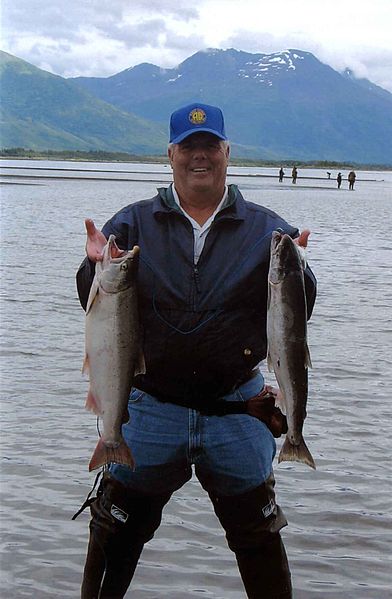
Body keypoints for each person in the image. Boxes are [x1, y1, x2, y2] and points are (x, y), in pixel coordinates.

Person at [76, 102, 317, 599]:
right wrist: (92, 266)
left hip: (237, 410)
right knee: (114, 536)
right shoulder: (133, 224)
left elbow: (298, 312)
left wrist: (302, 272)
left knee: (259, 541)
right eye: (189, 148)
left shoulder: (267, 230)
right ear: (170, 155)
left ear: (228, 153)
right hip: (147, 410)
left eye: (210, 147)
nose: (199, 157)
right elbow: (95, 304)